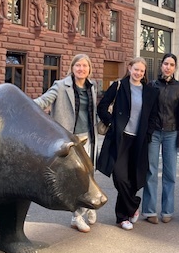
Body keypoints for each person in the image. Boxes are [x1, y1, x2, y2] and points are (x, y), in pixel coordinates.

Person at [34, 54, 98, 233]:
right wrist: (26, 105)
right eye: (78, 65)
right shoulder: (61, 86)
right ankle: (77, 217)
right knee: (76, 179)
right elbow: (44, 100)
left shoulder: (92, 87)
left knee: (89, 175)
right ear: (72, 68)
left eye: (84, 66)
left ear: (89, 69)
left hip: (88, 137)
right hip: (70, 140)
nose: (81, 69)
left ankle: (88, 207)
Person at [97, 57, 159, 230]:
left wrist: (148, 134)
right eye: (136, 69)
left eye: (142, 71)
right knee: (120, 176)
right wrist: (112, 123)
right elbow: (102, 107)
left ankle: (122, 217)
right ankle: (133, 205)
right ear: (130, 68)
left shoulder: (150, 92)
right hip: (120, 138)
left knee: (133, 178)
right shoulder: (119, 86)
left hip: (138, 140)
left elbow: (153, 116)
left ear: (144, 73)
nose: (138, 73)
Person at [142, 53, 179, 224]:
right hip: (154, 132)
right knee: (151, 171)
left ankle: (167, 210)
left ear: (175, 68)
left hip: (171, 132)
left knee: (170, 173)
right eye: (166, 64)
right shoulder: (152, 85)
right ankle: (149, 210)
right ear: (161, 66)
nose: (168, 67)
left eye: (171, 65)